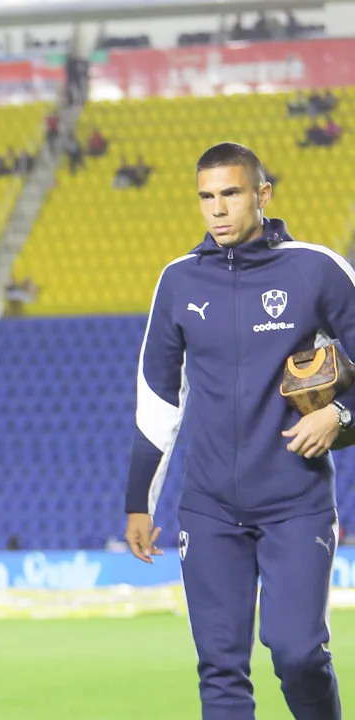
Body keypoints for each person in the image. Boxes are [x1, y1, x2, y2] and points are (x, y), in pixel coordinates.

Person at [125, 141, 354, 720]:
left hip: (296, 503)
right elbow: (156, 399)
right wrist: (138, 501)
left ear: (262, 194)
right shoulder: (178, 282)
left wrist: (340, 414)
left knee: (298, 653)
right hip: (207, 508)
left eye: (230, 193)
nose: (218, 209)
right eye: (206, 197)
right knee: (220, 670)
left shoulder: (315, 268)